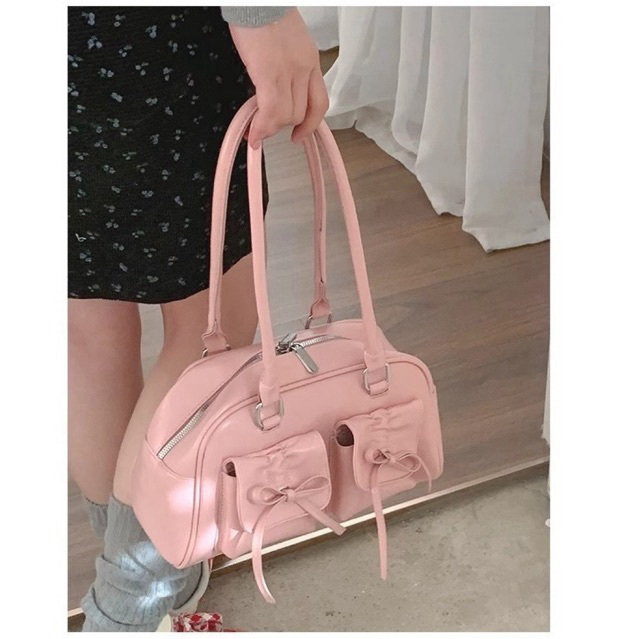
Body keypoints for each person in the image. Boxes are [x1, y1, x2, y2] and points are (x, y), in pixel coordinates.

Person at [68, 6, 329, 632]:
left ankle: (143, 562)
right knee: (211, 331)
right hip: (152, 39)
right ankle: (128, 609)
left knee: (87, 326)